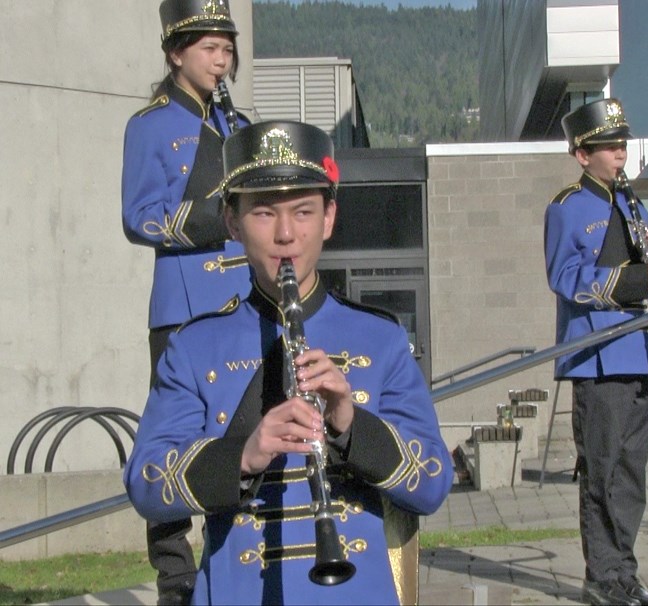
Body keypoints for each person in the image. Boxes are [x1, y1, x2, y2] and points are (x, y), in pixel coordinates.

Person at [124, 119, 454, 605]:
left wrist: (348, 424)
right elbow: (146, 484)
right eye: (262, 214)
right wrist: (242, 455)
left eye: (303, 211)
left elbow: (432, 485)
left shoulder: (380, 339)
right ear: (232, 223)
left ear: (328, 218)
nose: (285, 234)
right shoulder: (195, 347)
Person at [121, 1, 251, 602]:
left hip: (240, 302)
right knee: (170, 443)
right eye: (209, 48)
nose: (221, 61)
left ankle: (233, 563)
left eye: (227, 49)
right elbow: (139, 216)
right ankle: (176, 580)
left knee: (239, 435)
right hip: (181, 309)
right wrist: (215, 217)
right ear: (177, 53)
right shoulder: (149, 125)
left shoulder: (237, 123)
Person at [543, 98, 648, 606]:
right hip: (600, 357)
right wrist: (633, 277)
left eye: (623, 145)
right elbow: (564, 278)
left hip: (641, 351)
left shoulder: (633, 205)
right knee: (602, 471)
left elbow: (642, 274)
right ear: (582, 154)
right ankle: (603, 578)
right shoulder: (567, 206)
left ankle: (625, 573)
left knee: (631, 475)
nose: (621, 154)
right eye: (610, 147)